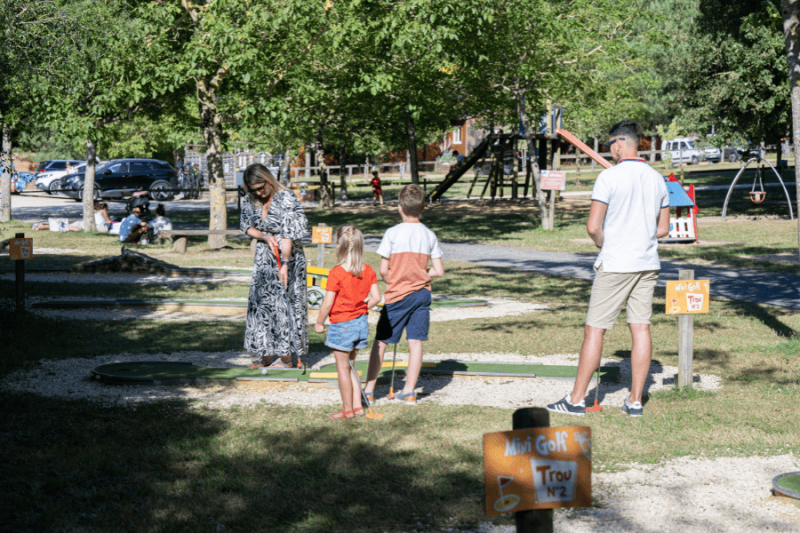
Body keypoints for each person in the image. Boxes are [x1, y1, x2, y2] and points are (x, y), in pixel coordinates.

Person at [546, 120, 670, 418]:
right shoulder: (657, 179)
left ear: (618, 144)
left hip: (615, 264)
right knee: (640, 328)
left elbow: (592, 226)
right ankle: (635, 401)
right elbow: (663, 230)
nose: (610, 151)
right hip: (646, 263)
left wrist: (603, 242)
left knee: (595, 330)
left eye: (610, 146)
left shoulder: (608, 178)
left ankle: (576, 400)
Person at [363, 184, 445, 404]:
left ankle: (369, 390)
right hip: (421, 294)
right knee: (415, 342)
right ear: (423, 208)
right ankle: (409, 391)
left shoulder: (392, 233)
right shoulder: (429, 234)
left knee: (381, 341)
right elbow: (438, 271)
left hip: (398, 296)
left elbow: (383, 269)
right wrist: (420, 274)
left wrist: (395, 281)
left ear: (400, 208)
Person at [240, 163, 309, 369]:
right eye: (254, 190)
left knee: (285, 303)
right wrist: (264, 236)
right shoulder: (250, 199)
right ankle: (266, 353)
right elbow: (246, 227)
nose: (259, 193)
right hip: (264, 259)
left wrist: (285, 264)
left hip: (289, 257)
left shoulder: (286, 198)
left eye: (261, 188)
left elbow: (287, 233)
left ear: (269, 180)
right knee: (262, 304)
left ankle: (286, 355)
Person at [315, 224, 382, 419]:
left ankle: (347, 410)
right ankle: (357, 407)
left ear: (339, 245)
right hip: (360, 324)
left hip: (342, 325)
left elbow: (327, 303)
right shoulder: (368, 270)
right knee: (351, 364)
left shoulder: (337, 272)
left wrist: (319, 323)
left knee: (342, 368)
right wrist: (361, 308)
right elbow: (377, 297)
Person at [33, 200, 114, 232]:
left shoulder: (93, 211)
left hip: (83, 223)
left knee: (64, 225)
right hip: (95, 226)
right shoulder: (103, 211)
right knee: (70, 227)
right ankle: (44, 226)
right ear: (104, 207)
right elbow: (109, 222)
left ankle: (43, 226)